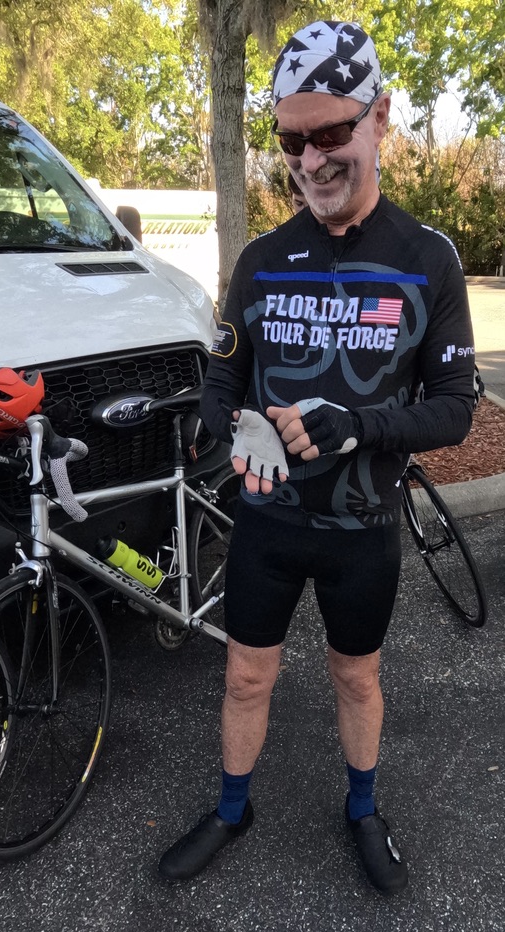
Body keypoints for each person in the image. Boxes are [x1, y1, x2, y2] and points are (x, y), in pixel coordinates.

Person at [158, 20, 476, 895]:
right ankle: (230, 810)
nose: (310, 160)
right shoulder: (261, 261)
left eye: (330, 133)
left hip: (360, 528)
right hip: (267, 522)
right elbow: (222, 376)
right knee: (244, 676)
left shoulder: (426, 260)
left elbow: (456, 408)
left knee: (355, 677)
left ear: (380, 117)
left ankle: (362, 810)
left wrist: (357, 426)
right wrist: (228, 427)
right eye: (290, 140)